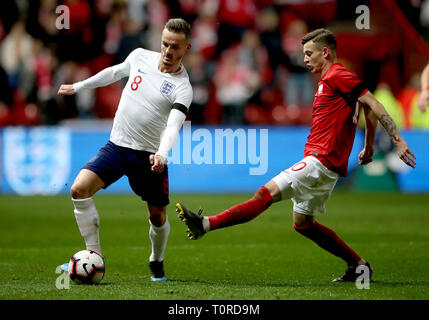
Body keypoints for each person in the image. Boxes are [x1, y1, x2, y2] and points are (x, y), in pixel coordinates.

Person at [176, 28, 416, 282]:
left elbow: (374, 103)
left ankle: (204, 225)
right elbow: (366, 105)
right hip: (326, 165)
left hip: (320, 161)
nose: (305, 59)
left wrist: (397, 140)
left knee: (263, 195)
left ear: (325, 52)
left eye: (309, 53)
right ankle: (358, 265)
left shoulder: (337, 74)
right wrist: (368, 145)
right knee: (303, 224)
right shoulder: (334, 81)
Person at [57, 18, 193, 281]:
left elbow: (174, 125)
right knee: (78, 190)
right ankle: (93, 257)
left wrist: (162, 154)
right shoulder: (140, 56)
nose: (168, 51)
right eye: (165, 43)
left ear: (186, 48)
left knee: (157, 217)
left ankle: (157, 260)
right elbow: (114, 72)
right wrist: (79, 86)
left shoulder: (182, 87)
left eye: (175, 46)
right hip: (117, 147)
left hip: (149, 157)